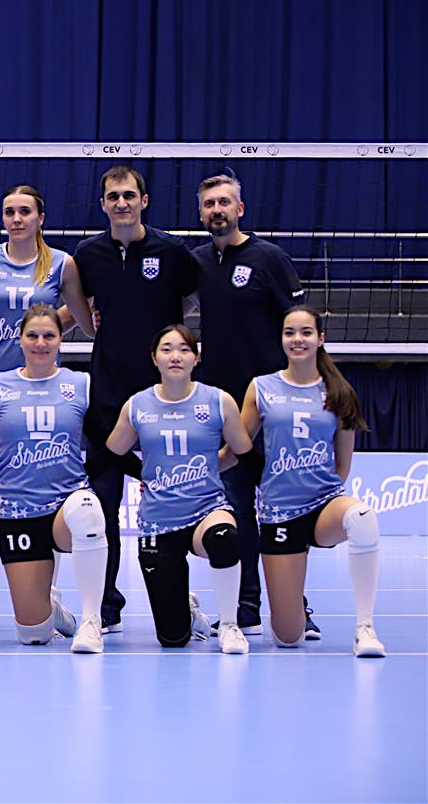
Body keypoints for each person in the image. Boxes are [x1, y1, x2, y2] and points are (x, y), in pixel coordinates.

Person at [0, 185, 95, 636]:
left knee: (46, 490)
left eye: (25, 211)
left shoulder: (61, 263)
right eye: (9, 211)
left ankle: (49, 594)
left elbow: (82, 318)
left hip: (47, 388)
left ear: (40, 217)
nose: (16, 218)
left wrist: (45, 329)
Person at [73, 165, 198, 635]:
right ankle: (105, 607)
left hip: (163, 401)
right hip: (107, 400)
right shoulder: (89, 255)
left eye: (129, 195)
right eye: (113, 196)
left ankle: (184, 602)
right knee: (102, 504)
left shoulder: (172, 251)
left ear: (144, 200)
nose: (121, 203)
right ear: (102, 204)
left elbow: (191, 302)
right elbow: (80, 305)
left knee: (176, 503)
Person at [0, 305, 108, 652]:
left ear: (61, 340)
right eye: (32, 335)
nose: (40, 343)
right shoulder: (0, 385)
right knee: (33, 634)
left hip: (65, 506)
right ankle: (55, 614)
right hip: (18, 511)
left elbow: (105, 445)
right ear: (20, 340)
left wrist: (145, 473)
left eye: (49, 335)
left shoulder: (80, 384)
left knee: (88, 507)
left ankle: (92, 620)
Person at [192, 172, 311, 637]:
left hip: (272, 406)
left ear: (240, 209)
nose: (217, 210)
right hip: (224, 410)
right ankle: (245, 607)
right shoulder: (198, 262)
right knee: (237, 506)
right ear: (200, 213)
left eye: (224, 202)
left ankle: (296, 606)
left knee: (284, 510)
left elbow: (299, 324)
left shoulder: (269, 258)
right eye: (209, 204)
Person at [231, 306, 384, 656]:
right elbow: (236, 447)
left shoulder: (339, 391)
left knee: (362, 518)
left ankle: (365, 628)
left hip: (323, 507)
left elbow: (342, 466)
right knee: (288, 638)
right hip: (279, 514)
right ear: (281, 339)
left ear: (320, 339)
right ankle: (294, 613)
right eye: (290, 332)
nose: (297, 339)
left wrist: (319, 494)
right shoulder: (262, 387)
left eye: (306, 332)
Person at [103, 325, 255, 654]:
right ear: (154, 358)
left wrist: (212, 467)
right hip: (159, 522)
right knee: (173, 639)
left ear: (196, 358)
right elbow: (113, 452)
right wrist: (143, 473)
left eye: (185, 349)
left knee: (225, 538)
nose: (176, 356)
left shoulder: (218, 401)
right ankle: (188, 610)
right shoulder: (137, 405)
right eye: (167, 349)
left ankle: (229, 624)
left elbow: (242, 451)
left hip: (207, 511)